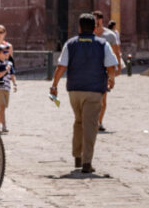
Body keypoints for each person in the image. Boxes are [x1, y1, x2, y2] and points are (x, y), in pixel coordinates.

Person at [49, 13, 117, 174]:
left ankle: (77, 156)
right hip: (94, 90)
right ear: (94, 28)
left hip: (74, 90)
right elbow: (111, 66)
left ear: (79, 27)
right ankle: (87, 161)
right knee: (90, 125)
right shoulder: (102, 44)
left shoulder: (70, 44)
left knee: (79, 121)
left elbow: (61, 67)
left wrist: (54, 85)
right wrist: (111, 80)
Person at [93, 11, 122, 131]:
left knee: (102, 100)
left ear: (101, 20)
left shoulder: (110, 35)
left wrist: (118, 67)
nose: (95, 22)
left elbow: (116, 52)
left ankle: (99, 122)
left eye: (96, 20)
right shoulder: (88, 34)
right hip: (90, 70)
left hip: (104, 71)